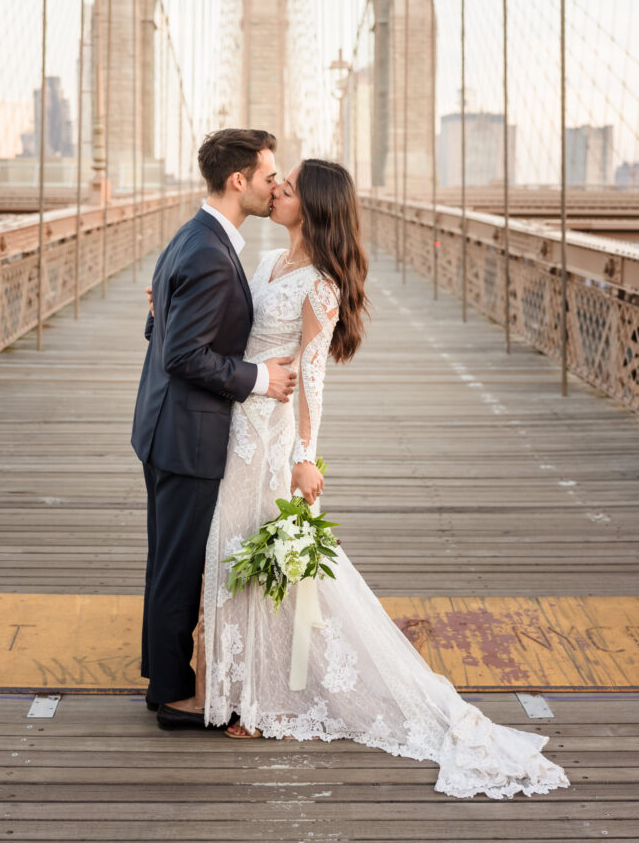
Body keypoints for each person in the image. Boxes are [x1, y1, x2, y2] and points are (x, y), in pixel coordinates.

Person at [199, 157, 570, 800]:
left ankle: (266, 704)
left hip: (272, 437)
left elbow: (314, 376)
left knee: (270, 559)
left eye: (288, 188)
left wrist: (306, 455)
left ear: (314, 208)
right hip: (239, 424)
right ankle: (240, 690)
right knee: (236, 549)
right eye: (276, 183)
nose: (277, 191)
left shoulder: (320, 285)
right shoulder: (266, 264)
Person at [131, 128, 298, 730]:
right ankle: (176, 701)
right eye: (269, 174)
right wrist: (258, 378)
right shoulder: (208, 250)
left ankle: (164, 682)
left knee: (167, 560)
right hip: (187, 434)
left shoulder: (194, 236)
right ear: (239, 180)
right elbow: (183, 355)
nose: (275, 183)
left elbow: (165, 334)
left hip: (165, 425)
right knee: (179, 567)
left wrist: (162, 314)